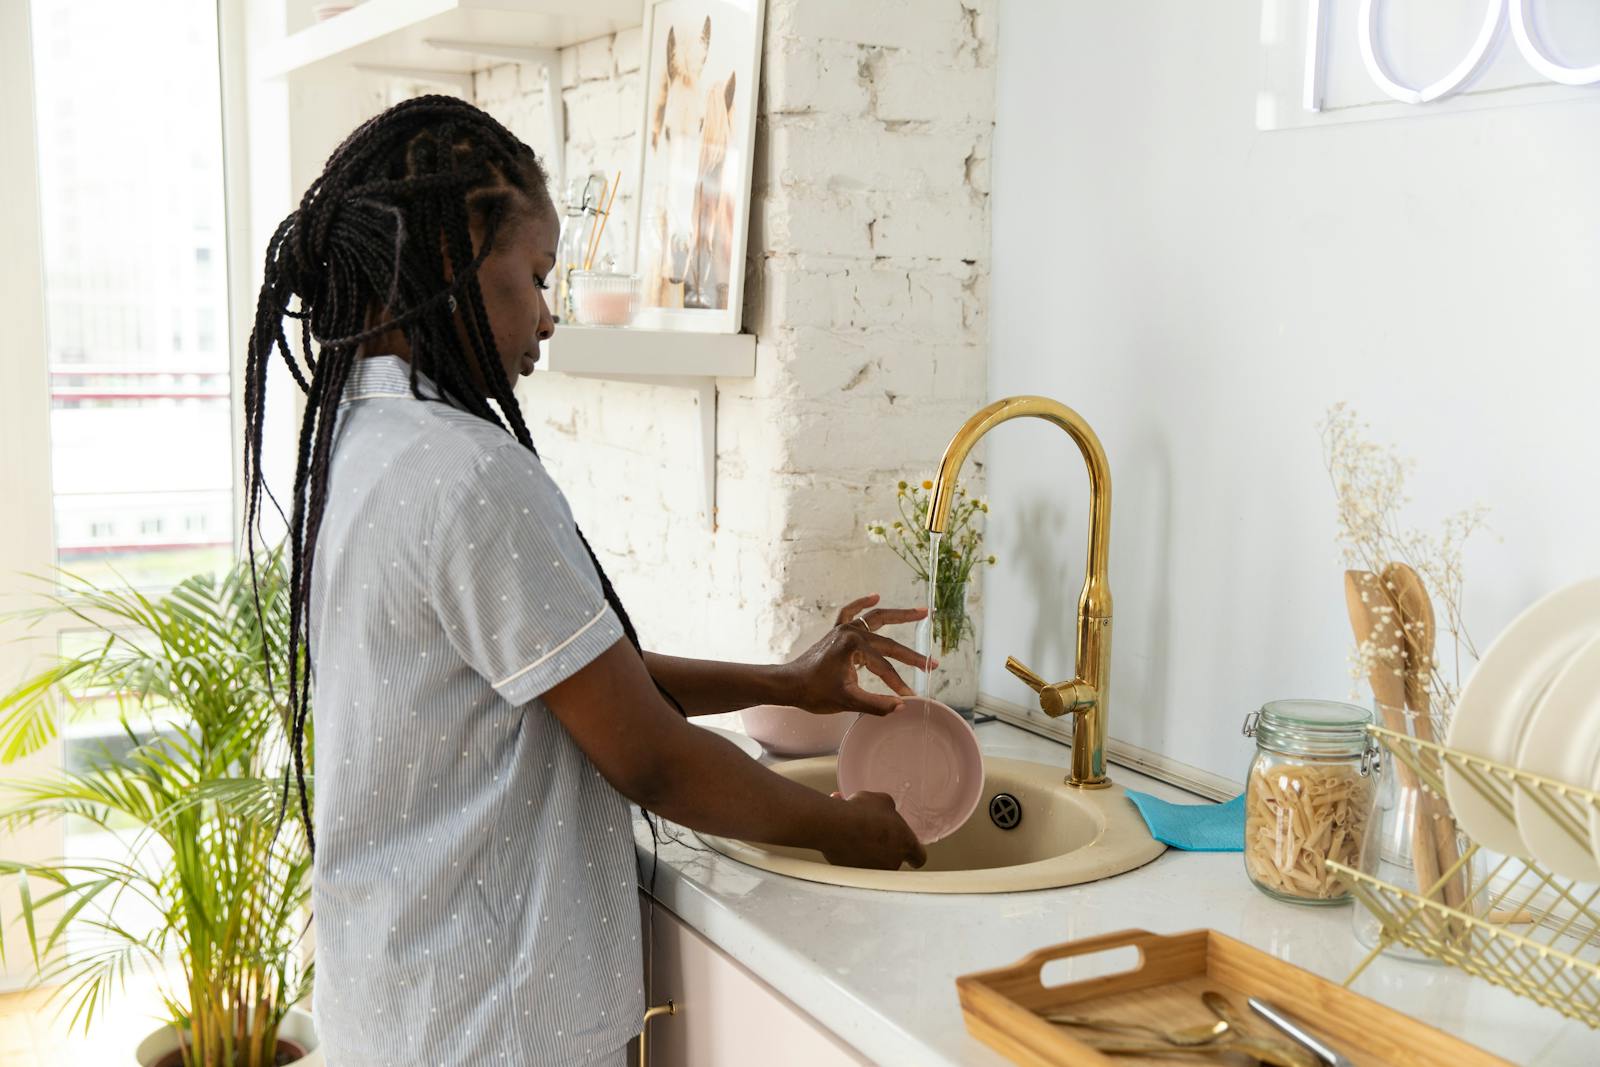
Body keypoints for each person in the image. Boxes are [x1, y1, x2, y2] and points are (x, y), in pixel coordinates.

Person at [241, 95, 929, 1067]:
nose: (549, 315)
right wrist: (843, 825)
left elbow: (568, 673)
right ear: (454, 259)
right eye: (535, 275)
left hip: (401, 1001)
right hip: (492, 1022)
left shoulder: (357, 443)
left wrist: (782, 682)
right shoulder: (467, 471)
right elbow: (649, 754)